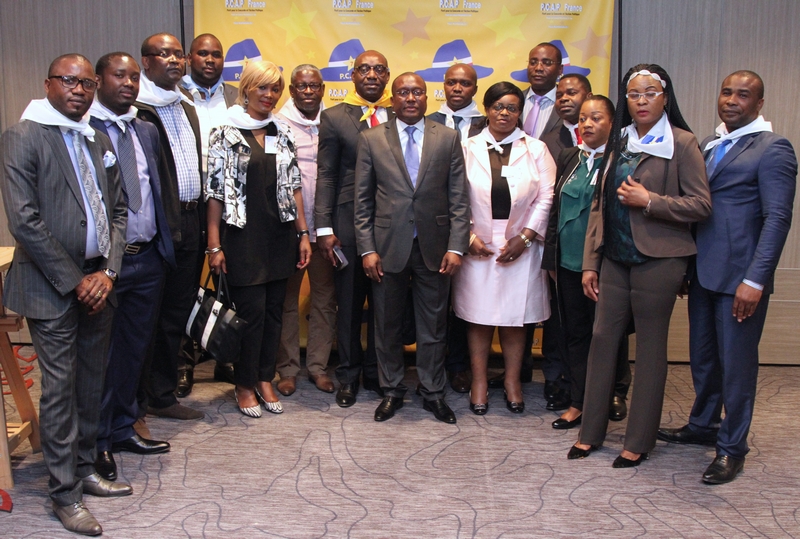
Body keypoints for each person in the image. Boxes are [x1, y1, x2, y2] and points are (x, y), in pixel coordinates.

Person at [0, 53, 131, 536]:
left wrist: (109, 272)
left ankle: (84, 469)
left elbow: (119, 212)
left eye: (87, 83)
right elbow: (24, 221)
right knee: (59, 390)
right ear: (48, 83)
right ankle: (64, 492)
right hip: (52, 286)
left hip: (100, 282)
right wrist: (77, 280)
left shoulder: (96, 137)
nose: (79, 89)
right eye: (68, 81)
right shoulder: (23, 136)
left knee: (90, 384)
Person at [658, 71, 797, 484]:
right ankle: (703, 424)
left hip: (740, 278)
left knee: (736, 365)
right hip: (703, 272)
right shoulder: (709, 143)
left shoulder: (773, 148)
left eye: (743, 95)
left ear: (759, 103)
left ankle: (732, 448)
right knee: (703, 358)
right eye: (726, 92)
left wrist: (756, 280)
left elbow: (777, 219)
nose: (732, 100)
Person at [569, 64, 711, 467]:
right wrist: (591, 262)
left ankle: (638, 440)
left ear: (665, 97)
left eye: (650, 93)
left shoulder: (682, 142)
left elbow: (701, 205)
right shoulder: (620, 141)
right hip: (615, 257)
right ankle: (590, 433)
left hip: (659, 260)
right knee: (602, 340)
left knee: (649, 349)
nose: (642, 101)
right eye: (634, 94)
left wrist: (650, 201)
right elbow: (600, 205)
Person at [354, 72, 470, 423]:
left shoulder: (447, 138)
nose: (410, 98)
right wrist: (367, 249)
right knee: (386, 324)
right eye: (403, 92)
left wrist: (457, 246)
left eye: (416, 92)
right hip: (387, 247)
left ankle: (433, 391)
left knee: (433, 326)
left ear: (426, 97)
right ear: (392, 99)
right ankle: (391, 390)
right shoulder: (371, 138)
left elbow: (459, 197)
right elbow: (362, 201)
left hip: (435, 247)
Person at [206, 60, 311, 417]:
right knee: (249, 315)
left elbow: (294, 186)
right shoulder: (224, 132)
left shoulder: (282, 131)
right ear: (246, 89)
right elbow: (215, 193)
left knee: (274, 314)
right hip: (242, 238)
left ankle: (266, 378)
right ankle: (244, 383)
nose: (270, 95)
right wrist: (214, 245)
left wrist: (302, 233)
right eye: (262, 87)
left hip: (280, 235)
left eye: (275, 88)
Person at [89, 52, 176, 482]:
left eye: (134, 77)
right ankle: (98, 440)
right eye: (119, 75)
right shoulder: (83, 129)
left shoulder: (145, 128)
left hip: (148, 258)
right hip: (104, 266)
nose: (128, 83)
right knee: (101, 358)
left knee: (134, 352)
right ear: (98, 80)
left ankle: (124, 428)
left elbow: (158, 187)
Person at [455, 81, 555, 415]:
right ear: (487, 110)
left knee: (515, 318)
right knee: (479, 317)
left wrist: (526, 237)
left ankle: (513, 382)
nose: (505, 113)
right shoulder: (466, 147)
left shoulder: (536, 149)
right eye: (498, 106)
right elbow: (453, 195)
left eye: (512, 108)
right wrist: (467, 236)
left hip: (521, 244)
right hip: (477, 244)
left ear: (520, 113)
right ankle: (479, 382)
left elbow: (547, 196)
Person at [542, 76, 633, 420]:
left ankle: (612, 393)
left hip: (606, 264)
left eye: (596, 118)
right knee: (575, 333)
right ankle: (579, 400)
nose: (587, 124)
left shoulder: (622, 160)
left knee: (608, 333)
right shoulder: (570, 157)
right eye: (582, 119)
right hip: (567, 263)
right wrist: (550, 260)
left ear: (612, 123)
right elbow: (555, 211)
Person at [315, 50, 392, 407]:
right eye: (364, 69)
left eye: (379, 69)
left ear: (387, 75)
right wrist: (323, 227)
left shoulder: (400, 114)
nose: (372, 75)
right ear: (353, 76)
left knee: (384, 303)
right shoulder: (333, 117)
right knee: (348, 303)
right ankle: (348, 375)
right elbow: (326, 174)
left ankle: (377, 373)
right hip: (346, 222)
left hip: (390, 223)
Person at [136, 33, 205, 421]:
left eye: (179, 54)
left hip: (191, 221)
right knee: (147, 313)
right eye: (164, 54)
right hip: (158, 223)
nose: (175, 60)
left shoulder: (186, 104)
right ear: (146, 62)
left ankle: (161, 396)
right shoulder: (137, 109)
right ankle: (134, 400)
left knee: (176, 312)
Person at [178, 33, 239, 393]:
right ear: (189, 58)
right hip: (187, 203)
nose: (210, 59)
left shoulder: (236, 97)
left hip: (228, 204)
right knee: (186, 285)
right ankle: (183, 363)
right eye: (203, 53)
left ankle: (225, 358)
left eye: (216, 54)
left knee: (228, 283)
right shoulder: (174, 95)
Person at [276, 64, 337, 396]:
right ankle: (287, 369)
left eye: (315, 86)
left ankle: (318, 367)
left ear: (323, 89)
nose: (309, 91)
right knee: (286, 301)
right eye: (302, 86)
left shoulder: (334, 122)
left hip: (325, 229)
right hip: (290, 230)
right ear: (292, 90)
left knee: (324, 299)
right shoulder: (277, 124)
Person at [426, 63, 485, 394]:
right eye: (452, 82)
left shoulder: (488, 124)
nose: (458, 88)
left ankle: (460, 366)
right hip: (432, 226)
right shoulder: (426, 122)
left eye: (465, 83)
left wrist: (469, 232)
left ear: (475, 88)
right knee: (434, 302)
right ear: (444, 86)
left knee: (468, 300)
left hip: (476, 225)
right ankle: (433, 367)